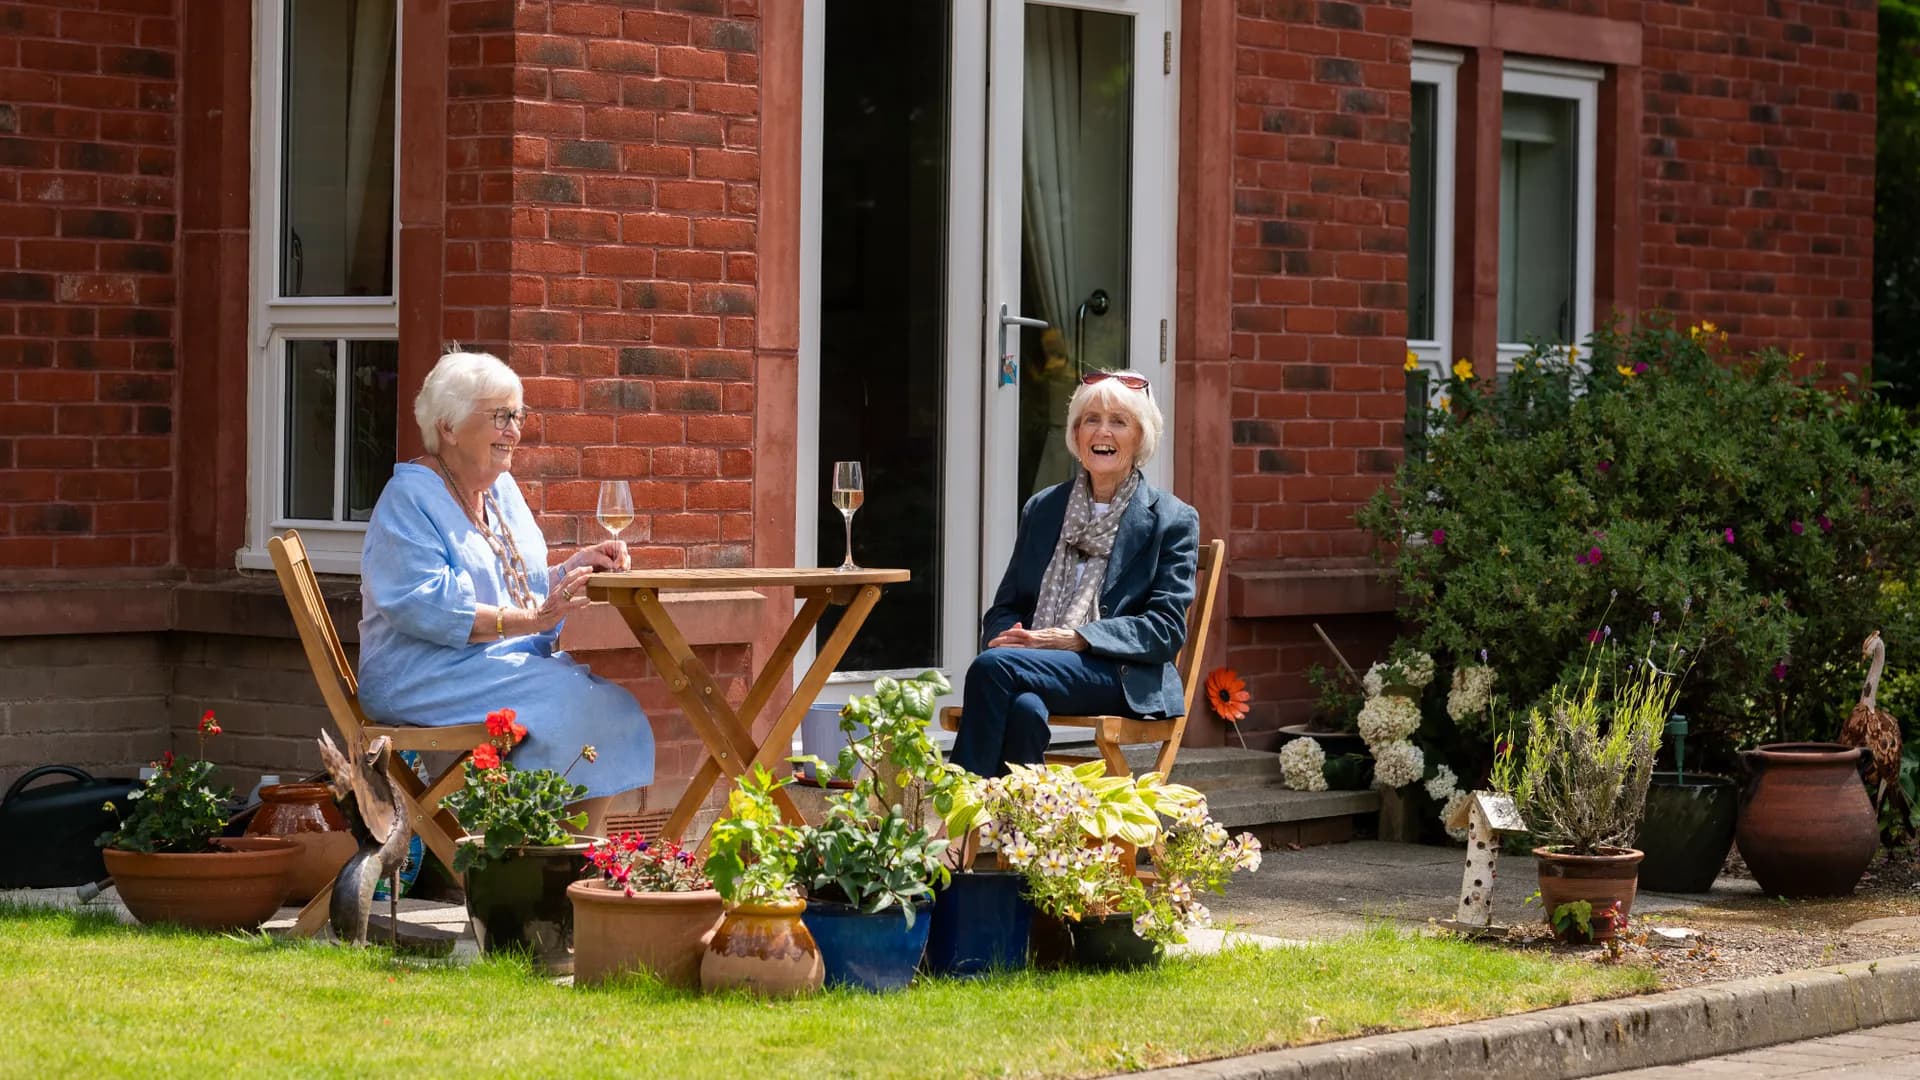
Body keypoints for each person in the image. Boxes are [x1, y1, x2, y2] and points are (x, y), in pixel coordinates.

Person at [356, 351, 653, 830]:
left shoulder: (502, 490)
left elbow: (522, 588)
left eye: (517, 415)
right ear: (449, 426)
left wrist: (576, 568)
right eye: (499, 416)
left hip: (498, 665)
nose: (514, 429)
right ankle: (545, 857)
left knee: (609, 704)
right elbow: (426, 607)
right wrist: (535, 621)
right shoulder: (408, 500)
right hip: (423, 674)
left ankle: (571, 856)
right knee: (578, 705)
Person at [948, 369, 1200, 778]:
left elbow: (1165, 631)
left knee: (993, 669)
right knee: (1024, 708)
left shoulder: (1171, 519)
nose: (1103, 432)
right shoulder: (1045, 508)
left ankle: (957, 822)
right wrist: (1006, 637)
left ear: (1141, 437)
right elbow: (1008, 604)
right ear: (1076, 433)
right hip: (1041, 666)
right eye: (1091, 419)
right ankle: (1024, 831)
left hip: (1117, 674)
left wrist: (1078, 638)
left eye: (1119, 421)